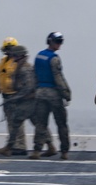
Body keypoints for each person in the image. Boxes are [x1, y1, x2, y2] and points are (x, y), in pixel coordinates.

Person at [31, 31, 72, 159]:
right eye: (58, 41)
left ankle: (36, 151)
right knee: (61, 123)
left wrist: (34, 91)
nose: (59, 44)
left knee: (40, 123)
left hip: (40, 93)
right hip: (53, 94)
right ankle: (64, 152)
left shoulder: (38, 56)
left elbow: (34, 76)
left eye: (61, 41)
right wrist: (66, 93)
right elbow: (58, 78)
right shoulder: (54, 59)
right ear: (51, 41)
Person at [0, 44, 37, 157]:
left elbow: (28, 88)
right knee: (17, 122)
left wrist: (14, 98)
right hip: (20, 99)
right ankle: (12, 147)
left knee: (36, 124)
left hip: (28, 101)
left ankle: (19, 147)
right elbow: (0, 78)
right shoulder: (16, 65)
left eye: (15, 55)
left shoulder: (25, 68)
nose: (12, 56)